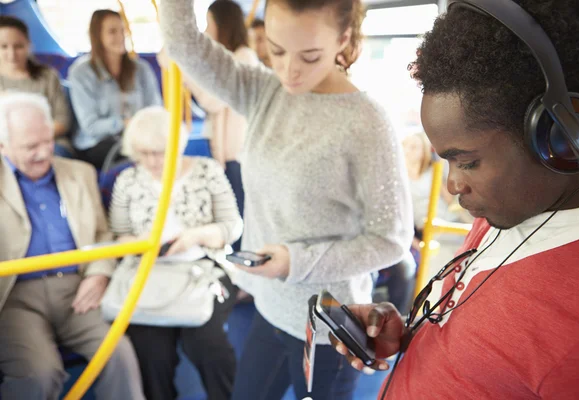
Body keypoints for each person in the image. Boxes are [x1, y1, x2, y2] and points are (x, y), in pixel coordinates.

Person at [331, 1, 579, 399]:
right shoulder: (511, 207)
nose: (454, 184)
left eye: (468, 162)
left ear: (561, 137)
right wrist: (407, 334)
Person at [159, 0, 414, 398]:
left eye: (309, 56)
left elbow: (391, 239)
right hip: (270, 305)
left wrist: (295, 261)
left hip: (328, 323)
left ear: (343, 39)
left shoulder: (367, 123)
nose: (289, 71)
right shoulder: (264, 91)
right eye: (276, 51)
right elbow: (182, 43)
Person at [0, 92, 144, 399]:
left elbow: (103, 235)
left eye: (47, 141)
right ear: (3, 146)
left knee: (119, 354)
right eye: (30, 146)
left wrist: (100, 272)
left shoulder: (81, 174)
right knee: (38, 373)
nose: (43, 153)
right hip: (15, 295)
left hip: (78, 288)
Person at [110, 106, 242, 400]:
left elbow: (232, 226)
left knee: (208, 345)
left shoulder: (207, 171)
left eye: (159, 152)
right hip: (149, 273)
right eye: (143, 153)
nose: (151, 161)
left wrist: (196, 236)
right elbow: (118, 236)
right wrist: (140, 242)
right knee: (150, 351)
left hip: (205, 268)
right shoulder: (127, 181)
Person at [158, 0, 259, 252]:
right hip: (227, 151)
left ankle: (243, 265)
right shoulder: (230, 59)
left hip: (239, 154)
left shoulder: (244, 58)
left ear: (222, 25)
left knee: (239, 213)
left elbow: (214, 100)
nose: (205, 30)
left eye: (209, 24)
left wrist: (180, 63)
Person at [69, 9, 162, 170]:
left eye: (122, 31)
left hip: (140, 138)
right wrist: (126, 123)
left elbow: (155, 110)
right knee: (133, 157)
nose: (120, 37)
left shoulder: (141, 69)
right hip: (98, 144)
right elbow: (90, 127)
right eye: (112, 32)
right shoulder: (81, 73)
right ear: (97, 36)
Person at [0, 16, 72, 157]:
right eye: (3, 46)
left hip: (50, 142)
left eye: (18, 46)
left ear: (28, 45)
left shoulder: (48, 76)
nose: (11, 54)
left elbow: (62, 121)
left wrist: (31, 141)